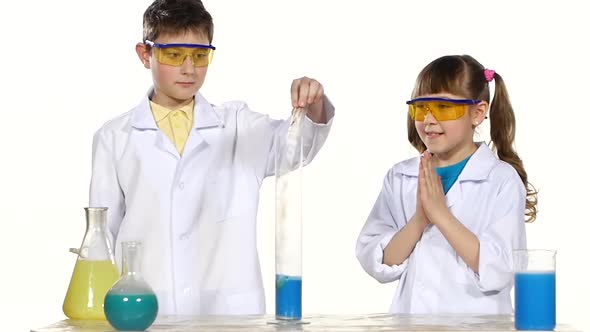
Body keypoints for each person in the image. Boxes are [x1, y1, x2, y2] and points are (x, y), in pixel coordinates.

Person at [89, 0, 334, 315]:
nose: (189, 68)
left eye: (200, 55)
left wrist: (312, 105)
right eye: (174, 55)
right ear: (145, 53)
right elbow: (100, 238)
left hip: (229, 313)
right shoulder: (114, 137)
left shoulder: (236, 125)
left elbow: (295, 149)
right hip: (146, 312)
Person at [356, 55, 537, 314]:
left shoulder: (500, 180)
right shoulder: (400, 177)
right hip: (411, 323)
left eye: (443, 107)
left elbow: (500, 269)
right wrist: (420, 219)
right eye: (421, 107)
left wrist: (439, 214)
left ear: (477, 113)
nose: (429, 120)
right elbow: (379, 260)